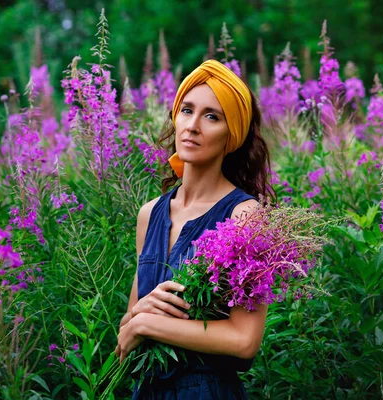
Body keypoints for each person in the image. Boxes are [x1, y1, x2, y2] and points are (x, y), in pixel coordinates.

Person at [115, 59, 272, 399]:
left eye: (212, 116)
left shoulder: (245, 216)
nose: (193, 125)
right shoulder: (150, 214)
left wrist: (148, 324)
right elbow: (126, 337)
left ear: (232, 134)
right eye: (187, 110)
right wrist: (141, 314)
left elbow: (244, 341)